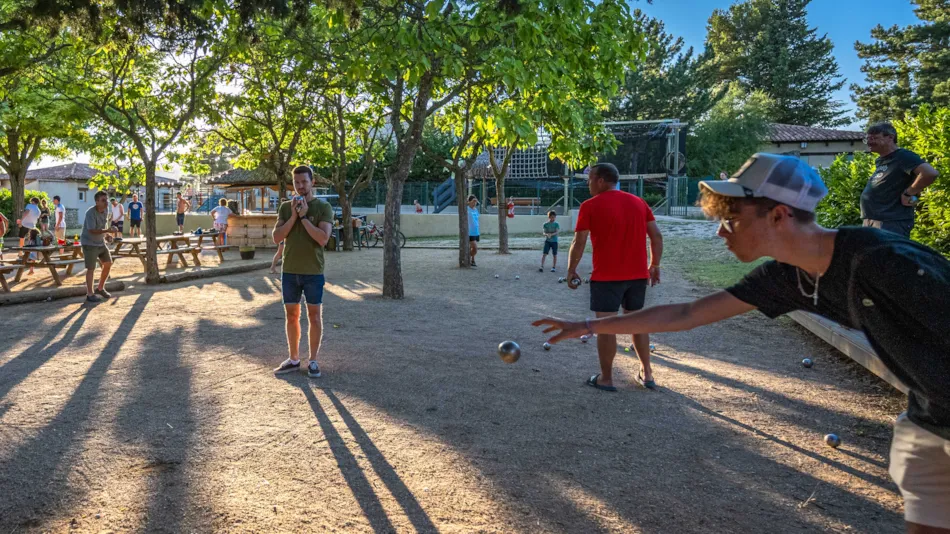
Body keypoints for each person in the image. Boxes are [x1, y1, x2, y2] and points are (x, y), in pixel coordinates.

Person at [535, 153, 950, 534]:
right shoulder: (786, 277)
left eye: (731, 219)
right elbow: (687, 314)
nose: (720, 231)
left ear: (779, 215)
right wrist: (587, 324)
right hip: (928, 419)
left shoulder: (882, 260)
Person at [566, 163, 663, 392]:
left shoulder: (590, 206)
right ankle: (647, 373)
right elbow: (656, 236)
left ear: (600, 180)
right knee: (637, 323)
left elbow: (579, 241)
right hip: (637, 276)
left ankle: (606, 379)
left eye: (590, 179)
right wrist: (655, 264)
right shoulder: (639, 202)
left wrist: (571, 269)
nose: (588, 184)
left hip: (606, 277)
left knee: (606, 327)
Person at [272, 165, 335, 378]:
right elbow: (277, 237)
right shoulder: (285, 207)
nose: (300, 186)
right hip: (290, 271)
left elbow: (323, 239)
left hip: (313, 271)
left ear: (312, 182)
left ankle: (313, 361)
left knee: (314, 316)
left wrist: (305, 218)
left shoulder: (323, 207)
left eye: (304, 182)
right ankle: (293, 359)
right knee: (291, 316)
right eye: (297, 182)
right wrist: (294, 216)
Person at [861, 122, 939, 238]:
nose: (869, 142)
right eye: (867, 139)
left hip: (891, 222)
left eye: (874, 138)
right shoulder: (881, 160)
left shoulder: (903, 156)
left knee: (888, 250)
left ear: (890, 137)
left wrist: (909, 193)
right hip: (873, 220)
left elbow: (930, 173)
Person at [81, 191, 114, 302]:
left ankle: (100, 288)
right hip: (89, 243)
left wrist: (107, 235)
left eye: (106, 200)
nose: (106, 202)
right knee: (91, 268)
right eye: (103, 200)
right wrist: (108, 230)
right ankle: (90, 294)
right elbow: (92, 230)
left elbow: (103, 225)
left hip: (100, 242)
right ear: (97, 202)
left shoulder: (106, 210)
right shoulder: (90, 213)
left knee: (108, 263)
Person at [467, 195, 480, 267]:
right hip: (469, 232)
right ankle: (466, 258)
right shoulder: (467, 209)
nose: (474, 203)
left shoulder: (476, 210)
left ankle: (472, 260)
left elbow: (476, 219)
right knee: (475, 248)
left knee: (471, 247)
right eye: (473, 201)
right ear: (469, 202)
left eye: (476, 201)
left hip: (476, 231)